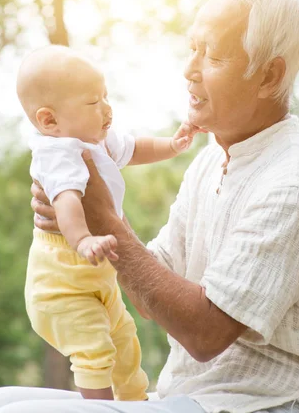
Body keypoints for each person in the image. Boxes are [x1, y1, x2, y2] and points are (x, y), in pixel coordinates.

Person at [0, 0, 299, 413]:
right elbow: (153, 290)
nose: (188, 70)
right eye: (192, 48)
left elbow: (204, 333)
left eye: (211, 56)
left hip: (262, 404)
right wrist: (81, 228)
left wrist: (104, 220)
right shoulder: (211, 161)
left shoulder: (297, 181)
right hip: (192, 398)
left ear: (269, 77)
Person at [12, 46, 198, 402]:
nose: (107, 109)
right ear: (49, 120)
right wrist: (82, 239)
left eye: (106, 97)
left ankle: (134, 402)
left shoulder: (95, 138)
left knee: (124, 340)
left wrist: (172, 146)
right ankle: (97, 408)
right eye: (93, 102)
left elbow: (134, 148)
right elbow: (66, 201)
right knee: (94, 349)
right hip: (63, 280)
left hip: (96, 272)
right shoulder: (57, 153)